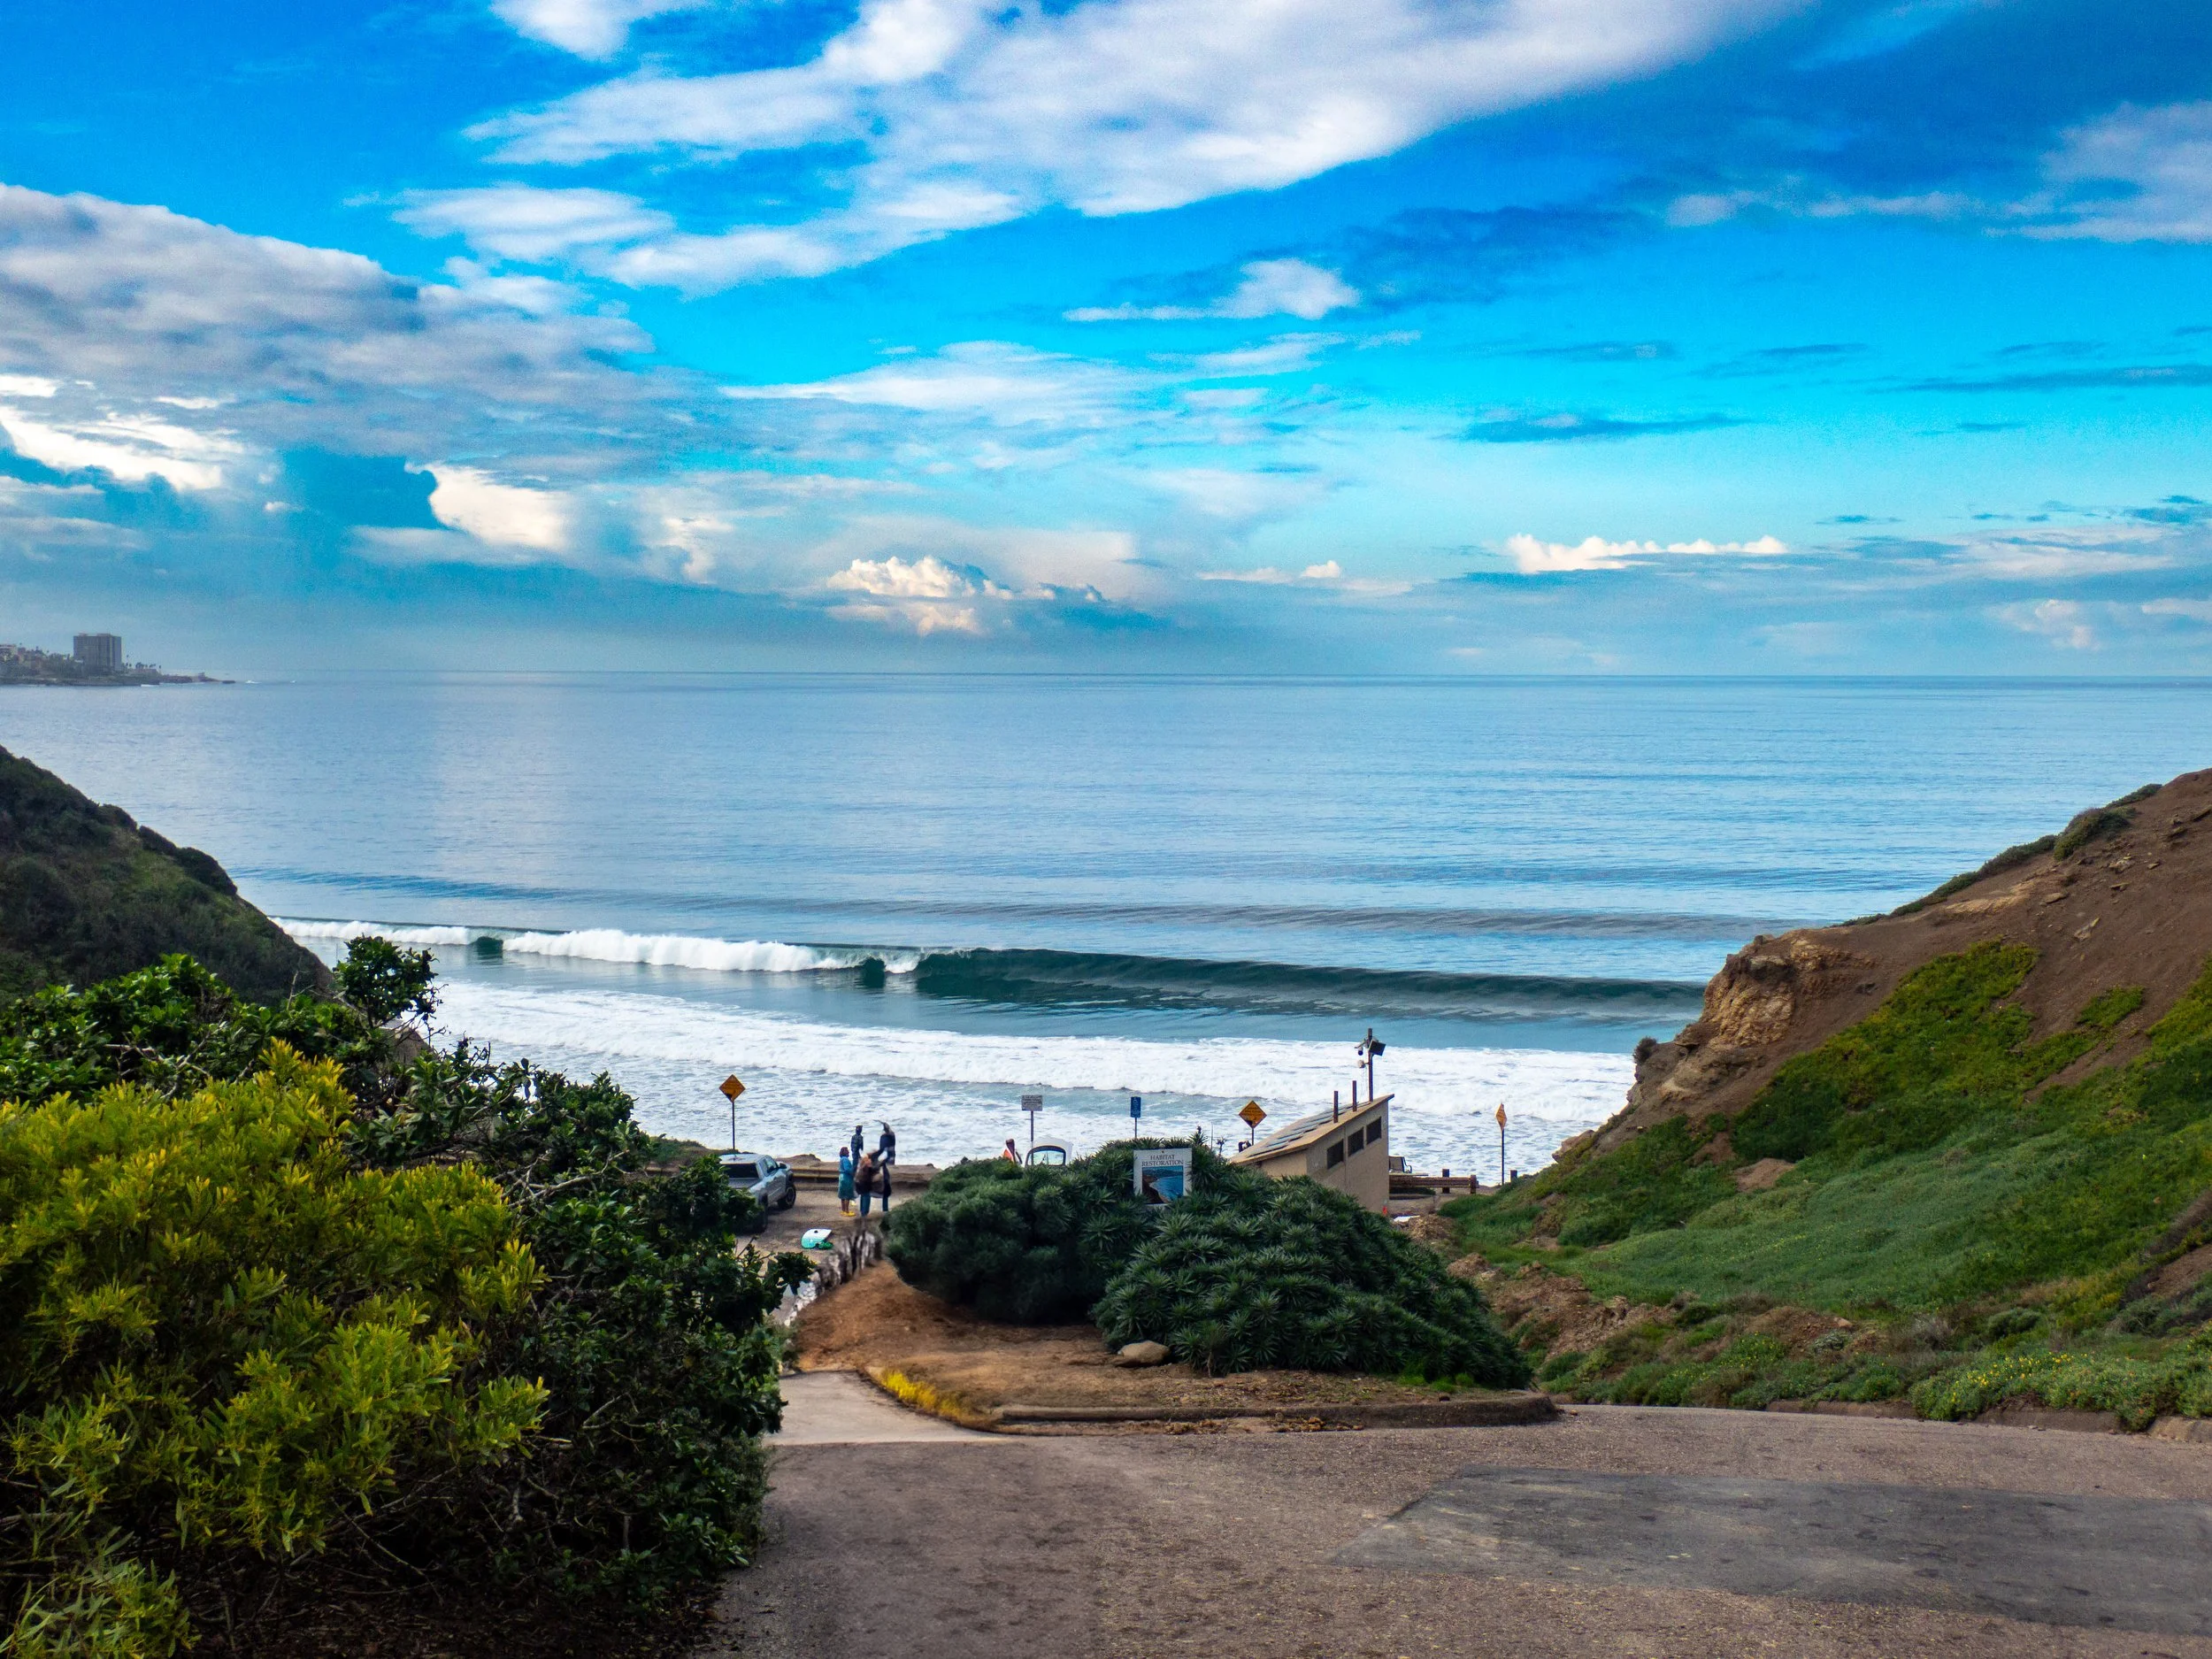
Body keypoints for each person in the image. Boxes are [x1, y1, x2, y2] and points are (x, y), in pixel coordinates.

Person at [856, 1151, 879, 1219]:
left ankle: (862, 1211)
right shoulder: (868, 1163)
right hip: (866, 1183)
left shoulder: (863, 1162)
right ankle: (865, 1212)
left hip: (860, 1182)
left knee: (863, 1196)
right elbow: (874, 1170)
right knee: (866, 1197)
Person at [837, 1146, 856, 1216]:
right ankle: (847, 1211)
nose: (849, 1152)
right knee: (847, 1194)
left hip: (842, 1177)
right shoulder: (845, 1159)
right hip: (846, 1177)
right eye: (847, 1151)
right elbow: (847, 1169)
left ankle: (843, 1210)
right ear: (845, 1152)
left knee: (842, 1195)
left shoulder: (842, 1159)